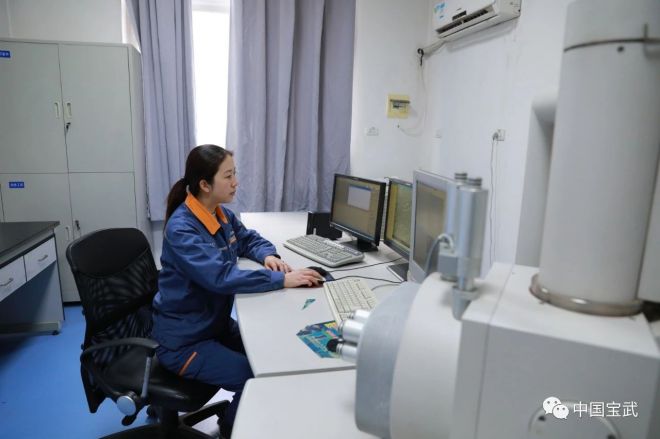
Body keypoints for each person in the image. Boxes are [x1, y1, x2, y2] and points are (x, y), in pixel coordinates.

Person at [152, 144, 324, 437]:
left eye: (235, 174)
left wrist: (268, 256)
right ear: (205, 185)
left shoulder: (219, 214)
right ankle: (231, 428)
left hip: (212, 325)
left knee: (269, 355)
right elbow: (220, 277)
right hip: (184, 341)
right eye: (228, 176)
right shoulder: (183, 229)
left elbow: (247, 239)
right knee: (252, 375)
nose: (236, 182)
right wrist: (281, 280)